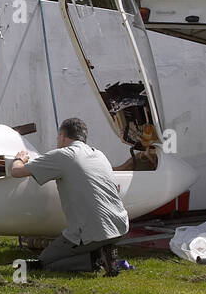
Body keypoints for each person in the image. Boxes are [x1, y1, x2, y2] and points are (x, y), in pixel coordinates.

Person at [8, 117, 129, 274]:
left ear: (63, 136)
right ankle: (103, 252)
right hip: (120, 226)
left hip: (92, 232)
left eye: (58, 137)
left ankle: (95, 259)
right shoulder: (99, 154)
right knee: (82, 243)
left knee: (45, 262)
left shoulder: (63, 155)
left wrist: (19, 159)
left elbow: (16, 172)